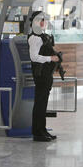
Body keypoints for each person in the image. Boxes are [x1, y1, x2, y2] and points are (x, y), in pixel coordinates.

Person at [28, 11, 60, 142]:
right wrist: (50, 58)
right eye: (40, 20)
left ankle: (42, 129)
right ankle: (38, 132)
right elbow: (34, 57)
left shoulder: (43, 36)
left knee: (43, 103)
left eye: (44, 20)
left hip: (46, 73)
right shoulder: (35, 38)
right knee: (40, 103)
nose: (43, 22)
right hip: (40, 74)